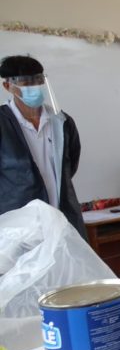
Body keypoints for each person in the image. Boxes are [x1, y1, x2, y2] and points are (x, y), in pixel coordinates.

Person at [0, 55, 86, 238]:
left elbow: (70, 166)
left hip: (63, 221)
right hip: (20, 230)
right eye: (26, 82)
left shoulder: (62, 122)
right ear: (8, 86)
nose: (35, 87)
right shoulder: (3, 123)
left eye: (38, 80)